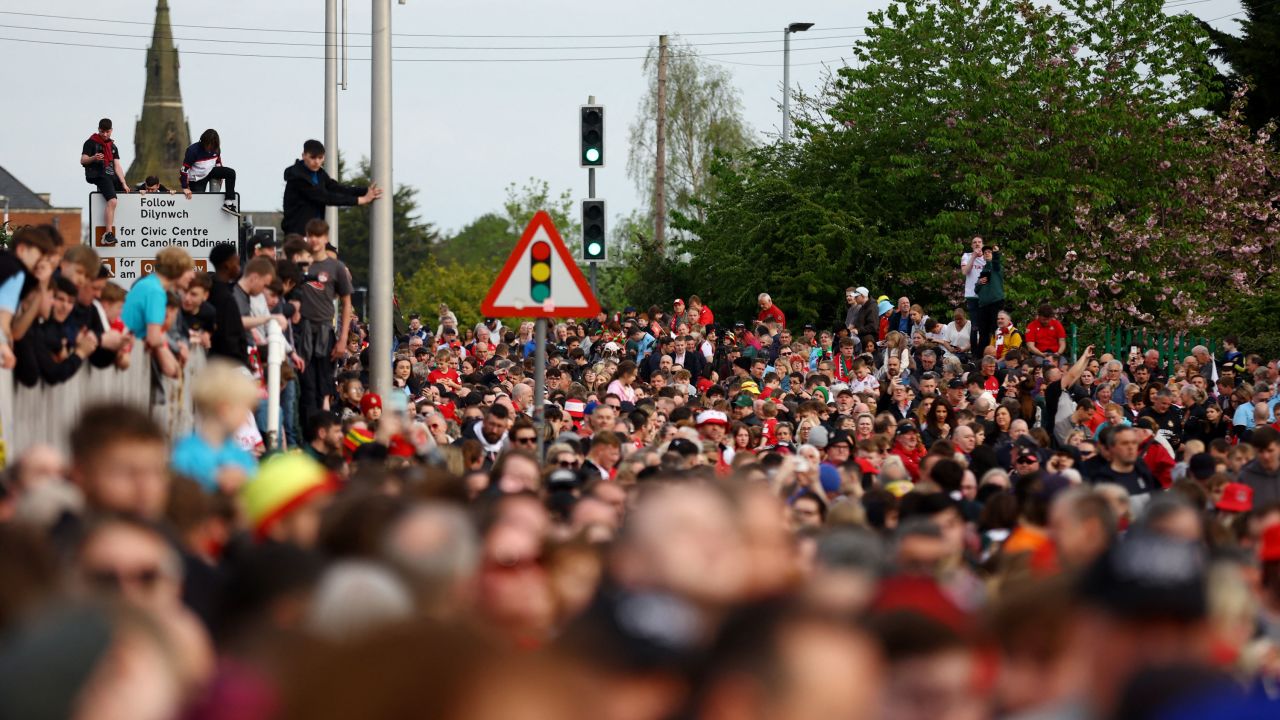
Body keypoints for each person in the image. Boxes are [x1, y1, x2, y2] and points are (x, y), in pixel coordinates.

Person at [295, 219, 354, 420]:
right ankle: (308, 430)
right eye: (311, 235)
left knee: (325, 384)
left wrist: (343, 338)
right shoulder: (300, 264)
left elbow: (347, 303)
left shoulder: (335, 267)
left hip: (325, 331)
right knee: (306, 384)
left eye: (318, 236)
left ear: (325, 238)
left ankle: (324, 425)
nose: (314, 240)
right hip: (302, 331)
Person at [281, 139, 382, 235]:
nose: (317, 162)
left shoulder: (320, 174)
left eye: (320, 158)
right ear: (303, 156)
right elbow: (326, 197)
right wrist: (361, 200)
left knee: (332, 253)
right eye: (313, 157)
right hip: (298, 234)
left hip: (315, 233)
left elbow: (336, 188)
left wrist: (365, 190)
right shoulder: (298, 178)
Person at [120, 246, 193, 378]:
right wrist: (175, 347)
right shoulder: (156, 292)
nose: (193, 275)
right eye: (188, 270)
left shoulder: (148, 284)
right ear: (177, 270)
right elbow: (154, 338)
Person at [80, 118, 130, 245]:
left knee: (129, 191)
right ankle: (108, 233)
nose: (105, 134)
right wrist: (93, 158)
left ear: (111, 131)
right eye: (102, 132)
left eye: (107, 132)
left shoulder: (113, 146)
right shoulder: (90, 143)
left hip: (111, 174)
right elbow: (83, 160)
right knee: (112, 200)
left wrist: (123, 183)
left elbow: (117, 166)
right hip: (99, 175)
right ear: (98, 130)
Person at [179, 128, 238, 216]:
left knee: (230, 173)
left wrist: (221, 176)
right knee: (199, 204)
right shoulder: (192, 151)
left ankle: (228, 203)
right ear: (203, 141)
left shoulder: (216, 149)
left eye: (212, 146)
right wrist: (185, 187)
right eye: (207, 145)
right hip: (196, 178)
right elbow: (184, 170)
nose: (209, 148)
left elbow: (218, 161)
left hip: (209, 171)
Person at [975, 242, 1004, 353]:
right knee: (983, 332)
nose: (987, 253)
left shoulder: (996, 267)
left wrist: (996, 253)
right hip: (983, 305)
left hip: (996, 302)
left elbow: (996, 262)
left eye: (989, 252)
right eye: (985, 252)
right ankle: (981, 357)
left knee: (996, 330)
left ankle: (996, 354)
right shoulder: (983, 270)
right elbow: (976, 290)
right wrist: (979, 282)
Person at [960, 235, 986, 350]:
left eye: (979, 242)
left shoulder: (987, 257)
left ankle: (984, 348)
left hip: (985, 296)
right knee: (974, 325)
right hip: (972, 295)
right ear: (971, 245)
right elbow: (965, 271)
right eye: (974, 242)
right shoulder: (967, 256)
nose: (977, 244)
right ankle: (975, 351)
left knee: (985, 324)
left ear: (983, 244)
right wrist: (974, 257)